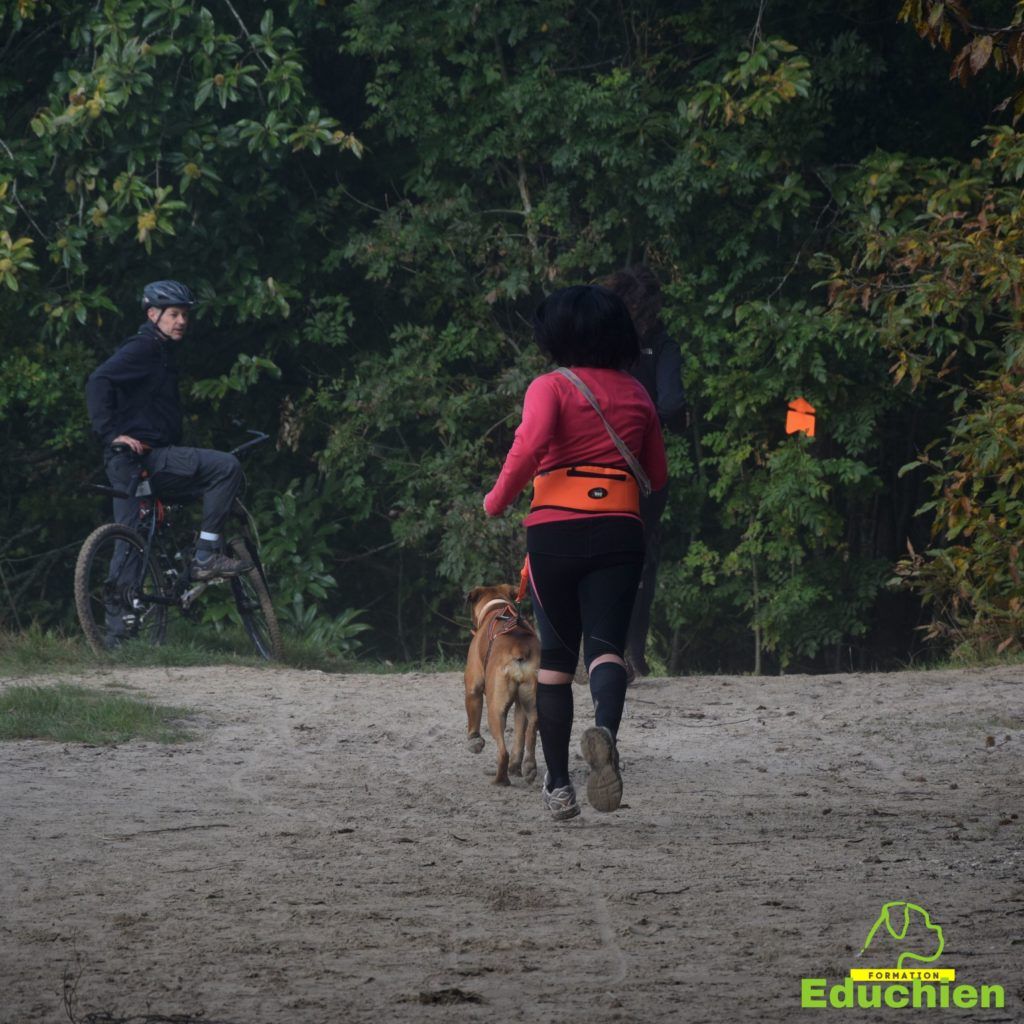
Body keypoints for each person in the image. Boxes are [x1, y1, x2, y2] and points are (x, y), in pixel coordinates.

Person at [483, 285, 667, 821]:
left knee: (557, 664)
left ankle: (560, 786)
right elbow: (657, 476)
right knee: (607, 650)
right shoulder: (638, 395)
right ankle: (605, 730)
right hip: (619, 529)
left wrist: (497, 500)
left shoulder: (549, 386)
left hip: (554, 532)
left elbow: (529, 444)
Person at [85, 280, 253, 603]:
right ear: (153, 314)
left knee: (131, 538)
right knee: (226, 468)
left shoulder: (161, 352)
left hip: (131, 462)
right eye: (174, 314)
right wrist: (110, 434)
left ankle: (119, 635)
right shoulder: (144, 348)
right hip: (142, 457)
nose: (181, 321)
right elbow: (98, 381)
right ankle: (205, 554)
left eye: (185, 315)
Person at [603, 265, 686, 678]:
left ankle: (603, 647)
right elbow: (673, 405)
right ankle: (631, 651)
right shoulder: (663, 346)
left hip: (597, 464)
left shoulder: (600, 345)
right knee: (641, 557)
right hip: (644, 469)